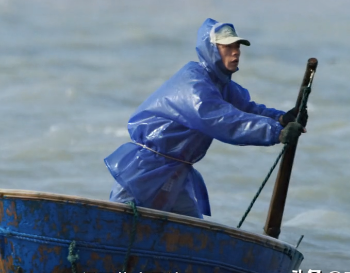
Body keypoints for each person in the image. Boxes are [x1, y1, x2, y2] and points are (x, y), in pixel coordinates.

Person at [103, 18, 306, 219]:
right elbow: (222, 120)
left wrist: (282, 118)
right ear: (211, 49)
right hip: (144, 168)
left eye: (237, 46)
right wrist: (277, 133)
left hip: (177, 172)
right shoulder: (193, 82)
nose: (235, 51)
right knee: (115, 222)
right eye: (227, 46)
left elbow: (247, 110)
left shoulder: (223, 86)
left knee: (192, 231)